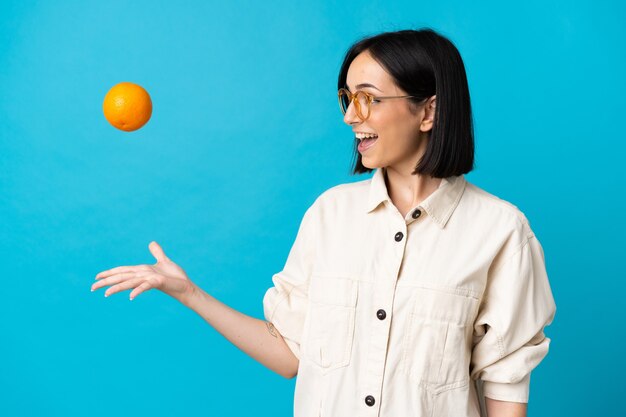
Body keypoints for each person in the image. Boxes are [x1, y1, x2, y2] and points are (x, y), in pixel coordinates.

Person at [91, 28, 556, 417]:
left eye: (368, 99)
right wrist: (188, 293)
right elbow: (290, 355)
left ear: (429, 111)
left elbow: (506, 384)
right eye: (347, 98)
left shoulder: (500, 232)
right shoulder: (329, 215)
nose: (352, 116)